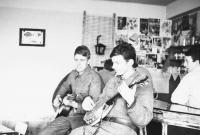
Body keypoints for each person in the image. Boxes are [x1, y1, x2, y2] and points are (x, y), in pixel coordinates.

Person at [69, 42, 154, 135]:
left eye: (117, 63)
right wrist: (88, 104)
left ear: (130, 62)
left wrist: (131, 100)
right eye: (113, 62)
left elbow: (144, 119)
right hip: (100, 125)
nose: (113, 66)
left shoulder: (141, 80)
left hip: (122, 129)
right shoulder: (113, 80)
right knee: (74, 133)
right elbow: (100, 103)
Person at [39, 45, 104, 135]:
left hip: (84, 119)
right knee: (44, 133)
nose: (78, 63)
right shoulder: (73, 74)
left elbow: (94, 108)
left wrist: (73, 104)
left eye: (82, 60)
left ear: (88, 60)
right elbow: (64, 86)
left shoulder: (94, 77)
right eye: (76, 60)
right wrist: (58, 97)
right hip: (68, 115)